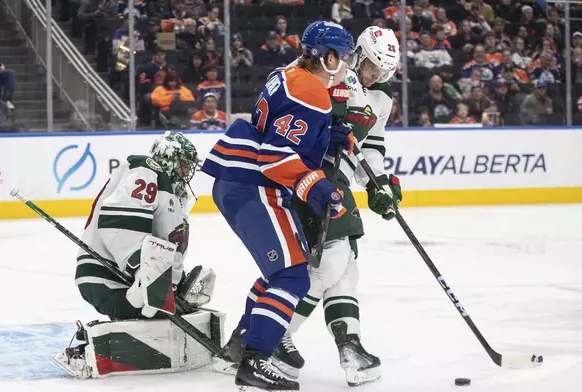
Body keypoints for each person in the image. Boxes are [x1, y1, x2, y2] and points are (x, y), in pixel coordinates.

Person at [201, 21, 355, 392]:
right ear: (329, 57)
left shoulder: (286, 73)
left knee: (278, 274)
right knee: (292, 278)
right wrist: (318, 188)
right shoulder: (312, 93)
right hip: (257, 185)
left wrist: (324, 134)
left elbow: (276, 127)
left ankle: (241, 342)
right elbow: (276, 155)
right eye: (345, 57)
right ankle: (255, 360)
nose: (348, 65)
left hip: (236, 181)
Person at [276, 26, 402, 387]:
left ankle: (350, 346)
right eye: (371, 66)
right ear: (358, 54)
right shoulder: (328, 72)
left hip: (339, 181)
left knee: (345, 266)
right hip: (309, 176)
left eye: (382, 71)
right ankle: (272, 336)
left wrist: (379, 185)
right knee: (332, 260)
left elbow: (372, 149)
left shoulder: (381, 98)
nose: (375, 75)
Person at [52, 132, 218, 378]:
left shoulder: (169, 192)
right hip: (106, 278)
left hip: (125, 277)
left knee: (169, 312)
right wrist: (143, 271)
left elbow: (163, 244)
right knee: (145, 305)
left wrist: (174, 281)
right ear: (168, 157)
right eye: (184, 165)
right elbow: (118, 223)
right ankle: (85, 350)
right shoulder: (146, 168)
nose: (186, 173)